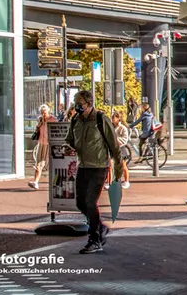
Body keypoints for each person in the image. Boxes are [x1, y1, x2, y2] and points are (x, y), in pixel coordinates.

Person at [65, 90, 121, 255]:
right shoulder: (76, 119)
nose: (76, 106)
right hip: (83, 166)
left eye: (79, 104)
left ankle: (95, 239)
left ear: (89, 104)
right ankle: (100, 227)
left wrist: (118, 167)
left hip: (99, 166)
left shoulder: (100, 119)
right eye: (75, 103)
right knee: (80, 203)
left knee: (90, 202)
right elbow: (70, 139)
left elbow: (114, 145)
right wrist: (69, 148)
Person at [27, 104, 54, 189]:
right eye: (42, 112)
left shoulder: (53, 120)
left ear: (48, 111)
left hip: (48, 143)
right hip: (41, 143)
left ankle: (53, 183)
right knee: (38, 163)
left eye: (44, 112)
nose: (43, 114)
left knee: (49, 164)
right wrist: (39, 125)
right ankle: (35, 182)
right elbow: (37, 130)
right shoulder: (40, 119)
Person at [108, 111, 131, 189]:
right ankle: (110, 182)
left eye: (114, 117)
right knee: (110, 166)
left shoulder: (123, 128)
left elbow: (124, 139)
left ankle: (126, 181)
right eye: (112, 117)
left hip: (120, 148)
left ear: (118, 118)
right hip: (112, 148)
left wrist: (115, 140)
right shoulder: (110, 127)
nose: (112, 119)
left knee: (123, 165)